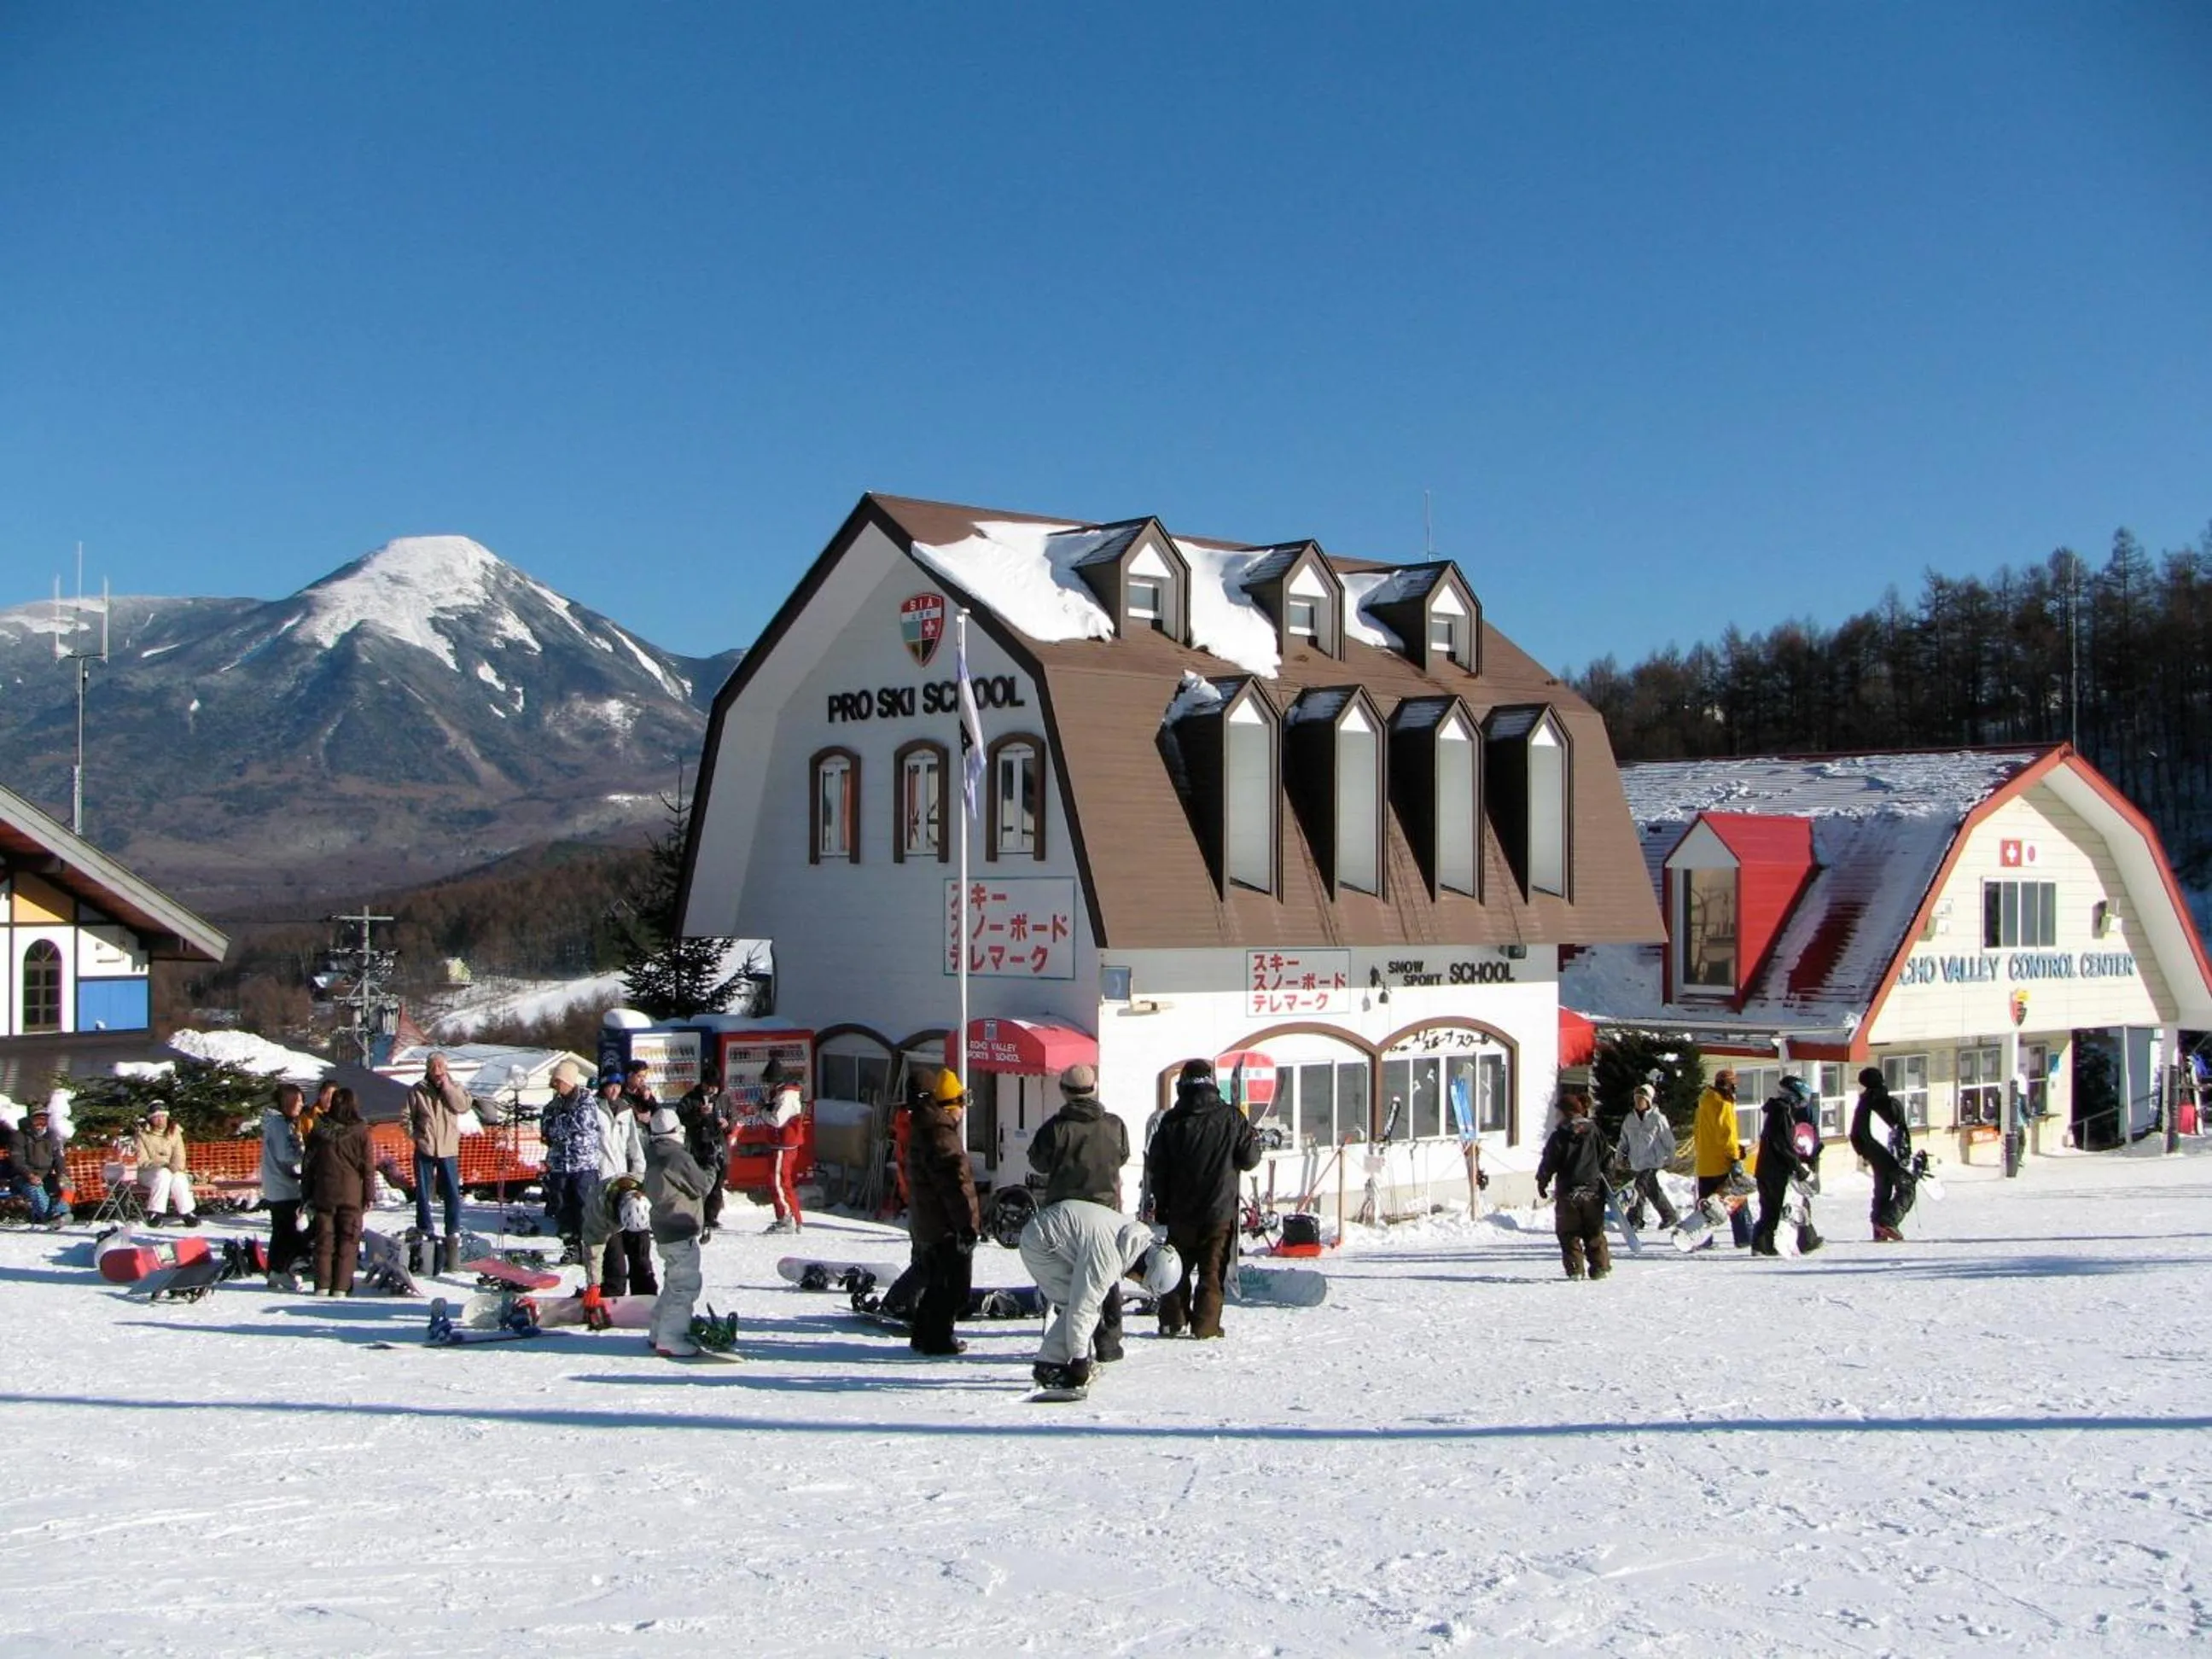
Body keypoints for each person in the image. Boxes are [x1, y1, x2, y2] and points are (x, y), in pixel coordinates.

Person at [1144, 1058, 1260, 1339]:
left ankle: (1172, 1321)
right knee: (1212, 1269)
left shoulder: (1171, 1121)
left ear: (1182, 1085)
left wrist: (1161, 1204)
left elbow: (1156, 1168)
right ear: (1212, 1083)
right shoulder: (1231, 1118)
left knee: (1175, 1266)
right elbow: (1250, 1159)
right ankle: (1206, 1326)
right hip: (1219, 1210)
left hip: (1180, 1210)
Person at [1018, 1197, 1182, 1393]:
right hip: (1041, 1243)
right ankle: (1049, 1367)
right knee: (1076, 1304)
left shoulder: (1131, 1237)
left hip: (1051, 1230)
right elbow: (1083, 1308)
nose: (1136, 1282)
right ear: (1145, 1269)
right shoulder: (1108, 1258)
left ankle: (1055, 1361)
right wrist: (1080, 1362)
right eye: (1142, 1281)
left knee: (1081, 1303)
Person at [1027, 1062, 1132, 1362]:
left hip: (1065, 1217)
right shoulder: (1115, 1125)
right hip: (1106, 1213)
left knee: (1068, 1281)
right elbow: (1123, 1156)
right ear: (1093, 1088)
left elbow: (1037, 1162)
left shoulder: (1055, 1128)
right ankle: (1109, 1343)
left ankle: (1074, 1344)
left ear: (1064, 1091)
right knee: (1105, 1276)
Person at [901, 1066, 980, 1356]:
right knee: (952, 1287)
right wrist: (966, 1226)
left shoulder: (924, 1128)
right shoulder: (942, 1136)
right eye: (960, 1103)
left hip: (928, 1221)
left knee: (936, 1282)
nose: (962, 1111)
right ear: (949, 1105)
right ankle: (938, 1339)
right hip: (945, 1224)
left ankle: (923, 1334)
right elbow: (955, 1188)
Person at [405, 1051, 502, 1272]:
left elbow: (463, 1106)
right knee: (423, 1193)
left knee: (451, 1193)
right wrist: (417, 1137)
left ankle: (453, 1231)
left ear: (446, 1068)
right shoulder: (417, 1090)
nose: (437, 1071)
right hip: (425, 1147)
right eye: (433, 1067)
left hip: (448, 1148)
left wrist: (447, 1087)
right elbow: (406, 1117)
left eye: (441, 1066)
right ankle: (425, 1229)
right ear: (428, 1068)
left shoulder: (455, 1087)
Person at [643, 1104, 713, 1358]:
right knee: (684, 1286)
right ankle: (671, 1337)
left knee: (673, 1282)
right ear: (677, 1130)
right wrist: (711, 1166)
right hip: (680, 1227)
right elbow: (702, 1185)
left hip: (663, 1228)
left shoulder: (652, 1153)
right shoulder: (678, 1156)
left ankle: (658, 1330)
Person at [304, 1087, 374, 1296]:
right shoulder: (360, 1130)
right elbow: (368, 1166)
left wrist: (306, 1193)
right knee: (348, 1240)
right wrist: (369, 1194)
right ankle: (341, 1286)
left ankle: (322, 1284)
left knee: (324, 1239)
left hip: (324, 1191)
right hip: (351, 1192)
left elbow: (308, 1164)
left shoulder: (319, 1128)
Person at [1535, 1091, 1611, 1279]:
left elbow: (1549, 1162)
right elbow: (1607, 1158)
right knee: (1594, 1231)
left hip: (1568, 1192)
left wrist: (1542, 1182)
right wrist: (1608, 1182)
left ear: (1566, 1112)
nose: (1556, 1115)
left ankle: (1575, 1269)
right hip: (1593, 1191)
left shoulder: (1559, 1136)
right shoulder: (1594, 1132)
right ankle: (1600, 1268)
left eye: (1558, 1111)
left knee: (1568, 1232)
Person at [582, 1068, 645, 1290]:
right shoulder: (593, 1109)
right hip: (601, 1178)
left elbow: (634, 1144)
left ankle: (642, 1288)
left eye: (617, 1086)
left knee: (636, 1236)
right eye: (610, 1086)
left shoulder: (626, 1110)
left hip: (622, 1178)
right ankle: (611, 1286)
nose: (614, 1090)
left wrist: (639, 1172)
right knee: (609, 1241)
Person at [538, 1059, 599, 1263]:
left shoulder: (587, 1102)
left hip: (583, 1165)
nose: (555, 1086)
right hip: (559, 1165)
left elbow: (579, 1126)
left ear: (568, 1081)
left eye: (558, 1081)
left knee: (584, 1206)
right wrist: (555, 1130)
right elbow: (547, 1129)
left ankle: (588, 1245)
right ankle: (571, 1245)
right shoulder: (553, 1106)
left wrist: (557, 1129)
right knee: (561, 1205)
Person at [1750, 1078, 1817, 1257]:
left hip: (1769, 1168)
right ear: (1792, 1097)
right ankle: (1764, 1245)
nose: (1801, 1105)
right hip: (1774, 1170)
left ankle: (1764, 1244)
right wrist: (1798, 1168)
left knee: (1772, 1208)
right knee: (1774, 1208)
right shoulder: (1781, 1113)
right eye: (1801, 1100)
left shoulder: (1780, 1112)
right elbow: (1783, 1146)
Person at [1851, 1067, 1914, 1242]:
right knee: (1907, 1187)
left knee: (1882, 1191)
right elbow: (1899, 1128)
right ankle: (1888, 1222)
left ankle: (1878, 1229)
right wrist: (1905, 1152)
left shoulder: (1863, 1104)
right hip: (1890, 1154)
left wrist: (1863, 1152)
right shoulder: (1886, 1101)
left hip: (1873, 1154)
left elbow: (1854, 1133)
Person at [675, 1064, 738, 1241]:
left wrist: (728, 1123)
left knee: (717, 1184)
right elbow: (680, 1117)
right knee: (697, 1183)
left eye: (715, 1086)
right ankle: (696, 1215)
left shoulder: (724, 1098)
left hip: (718, 1145)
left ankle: (711, 1217)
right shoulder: (690, 1098)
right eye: (709, 1086)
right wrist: (698, 1114)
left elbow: (734, 1117)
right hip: (697, 1145)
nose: (712, 1090)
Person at [1692, 1068, 1751, 1249]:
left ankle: (1702, 1239)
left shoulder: (1704, 1101)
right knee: (1736, 1198)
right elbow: (1727, 1135)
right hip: (1722, 1163)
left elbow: (1699, 1132)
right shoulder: (1724, 1104)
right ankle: (1744, 1237)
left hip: (1704, 1163)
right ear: (1729, 1085)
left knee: (1707, 1205)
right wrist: (1735, 1156)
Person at [260, 1084, 308, 1284]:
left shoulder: (279, 1123)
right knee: (286, 1231)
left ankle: (274, 1270)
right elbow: (285, 1155)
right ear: (287, 1102)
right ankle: (280, 1269)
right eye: (298, 1101)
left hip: (277, 1186)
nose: (301, 1104)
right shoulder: (280, 1125)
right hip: (283, 1186)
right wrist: (303, 1153)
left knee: (280, 1230)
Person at [1615, 1083, 1679, 1231]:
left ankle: (1634, 1219)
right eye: (1636, 1099)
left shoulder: (1658, 1118)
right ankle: (1669, 1215)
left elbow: (1668, 1140)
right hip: (1637, 1162)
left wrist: (1671, 1157)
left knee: (1638, 1189)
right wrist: (1620, 1157)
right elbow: (1624, 1140)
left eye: (1641, 1099)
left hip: (1652, 1161)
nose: (1638, 1102)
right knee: (1652, 1190)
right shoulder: (1630, 1119)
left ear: (1648, 1101)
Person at [757, 1057, 806, 1234]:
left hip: (784, 1144)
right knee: (783, 1181)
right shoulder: (785, 1093)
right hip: (783, 1144)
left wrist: (762, 1111)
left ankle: (786, 1217)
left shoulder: (786, 1096)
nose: (768, 1085)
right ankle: (793, 1216)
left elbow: (777, 1121)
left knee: (777, 1181)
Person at [134, 1102, 198, 1227]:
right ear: (151, 1119)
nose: (160, 1120)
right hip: (148, 1172)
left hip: (172, 1170)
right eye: (156, 1117)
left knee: (179, 1177)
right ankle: (155, 1213)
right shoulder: (142, 1134)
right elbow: (142, 1160)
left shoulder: (175, 1132)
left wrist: (176, 1167)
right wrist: (164, 1164)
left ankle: (187, 1212)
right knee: (163, 1175)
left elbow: (180, 1154)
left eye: (163, 1116)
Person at [3, 1105, 68, 1225]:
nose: (41, 1123)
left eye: (44, 1119)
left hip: (46, 1176)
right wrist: (30, 1175)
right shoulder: (19, 1136)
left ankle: (63, 1213)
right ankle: (49, 1217)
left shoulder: (51, 1136)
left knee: (66, 1186)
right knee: (36, 1188)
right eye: (37, 1119)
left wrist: (61, 1175)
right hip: (22, 1176)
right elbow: (17, 1161)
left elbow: (59, 1158)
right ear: (31, 1120)